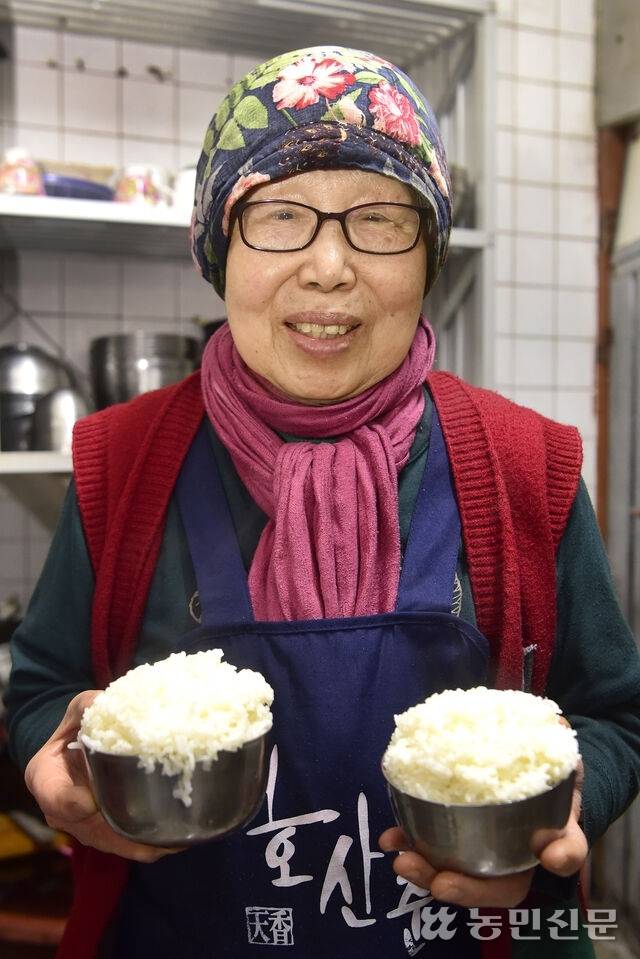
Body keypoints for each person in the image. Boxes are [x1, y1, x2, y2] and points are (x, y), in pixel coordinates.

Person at [5, 45, 640, 959]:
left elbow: (614, 712)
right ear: (219, 250)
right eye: (280, 217)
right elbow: (41, 690)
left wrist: (561, 811)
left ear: (430, 253)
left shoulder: (523, 464)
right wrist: (49, 764)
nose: (330, 267)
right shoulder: (124, 461)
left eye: (381, 220)